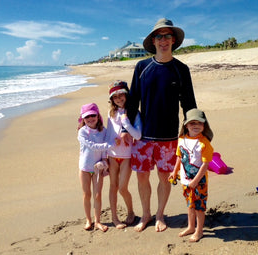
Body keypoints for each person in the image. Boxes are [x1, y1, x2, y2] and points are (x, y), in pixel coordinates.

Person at [126, 18, 197, 232]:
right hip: (143, 136)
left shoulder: (181, 69)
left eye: (167, 36)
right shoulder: (142, 67)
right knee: (142, 177)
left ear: (173, 40)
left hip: (169, 137)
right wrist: (126, 129)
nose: (163, 40)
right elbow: (132, 101)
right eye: (159, 36)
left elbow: (189, 103)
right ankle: (146, 214)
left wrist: (193, 133)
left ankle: (159, 214)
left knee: (165, 178)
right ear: (153, 41)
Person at [169, 108, 214, 242]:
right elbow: (179, 157)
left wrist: (196, 180)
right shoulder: (181, 139)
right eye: (192, 123)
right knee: (190, 204)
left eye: (199, 123)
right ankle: (190, 227)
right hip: (185, 180)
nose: (196, 126)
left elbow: (205, 165)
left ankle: (199, 231)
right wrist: (174, 171)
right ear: (186, 125)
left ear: (204, 126)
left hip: (199, 182)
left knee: (199, 207)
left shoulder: (204, 143)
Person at [106, 80, 142, 229]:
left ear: (126, 95)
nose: (119, 99)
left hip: (127, 155)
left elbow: (138, 135)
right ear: (112, 100)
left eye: (121, 95)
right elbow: (108, 133)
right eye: (115, 97)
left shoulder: (133, 112)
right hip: (112, 155)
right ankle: (115, 218)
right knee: (113, 187)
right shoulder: (111, 113)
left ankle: (131, 212)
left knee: (122, 187)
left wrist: (126, 125)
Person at [77, 103, 111, 232]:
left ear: (98, 116)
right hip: (85, 168)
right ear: (83, 119)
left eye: (93, 115)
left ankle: (97, 221)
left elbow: (103, 151)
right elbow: (92, 146)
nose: (90, 119)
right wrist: (109, 145)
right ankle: (88, 220)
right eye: (87, 117)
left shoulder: (104, 131)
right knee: (87, 194)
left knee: (97, 195)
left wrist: (104, 161)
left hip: (98, 168)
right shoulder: (82, 132)